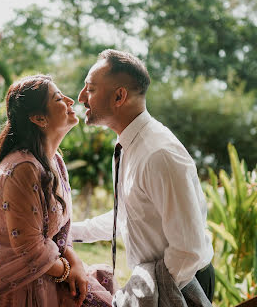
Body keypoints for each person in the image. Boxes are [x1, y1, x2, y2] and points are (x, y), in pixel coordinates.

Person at [0, 75, 117, 307]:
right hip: (14, 288)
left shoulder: (55, 161)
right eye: (59, 98)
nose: (70, 101)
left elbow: (59, 234)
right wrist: (70, 271)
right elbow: (30, 250)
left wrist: (75, 262)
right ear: (39, 118)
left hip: (45, 272)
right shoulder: (23, 168)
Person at [72, 49, 215, 302]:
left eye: (91, 89)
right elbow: (129, 214)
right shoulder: (129, 144)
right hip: (166, 283)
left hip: (182, 286)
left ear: (119, 96)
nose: (81, 97)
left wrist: (140, 295)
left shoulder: (159, 154)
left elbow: (187, 251)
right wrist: (69, 232)